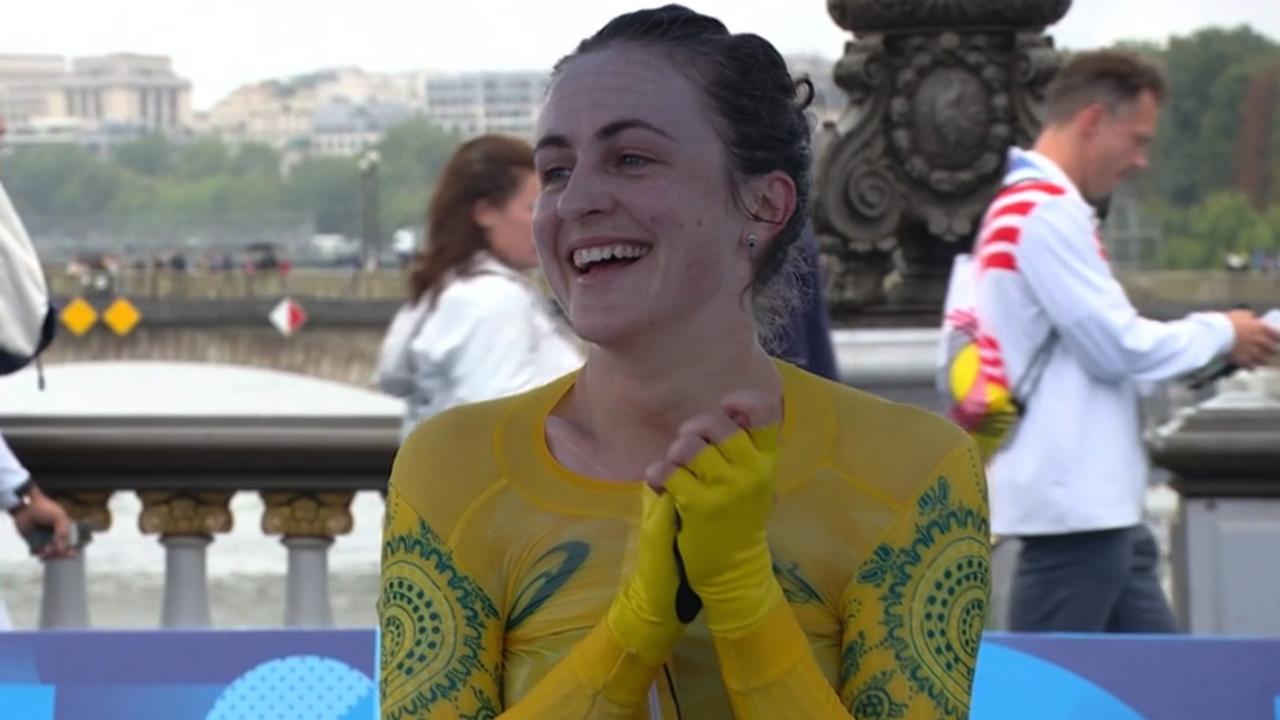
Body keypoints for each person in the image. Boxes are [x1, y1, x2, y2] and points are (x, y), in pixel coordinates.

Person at [379, 6, 989, 719]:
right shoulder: (452, 468)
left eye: (631, 158)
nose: (576, 201)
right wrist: (636, 625)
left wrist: (740, 593)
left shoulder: (914, 472)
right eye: (554, 171)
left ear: (763, 204)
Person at [974, 50, 1280, 633]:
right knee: (1062, 695)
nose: (1140, 160)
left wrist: (1225, 343)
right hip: (1077, 515)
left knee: (1166, 692)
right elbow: (1117, 346)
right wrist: (1224, 332)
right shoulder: (1043, 214)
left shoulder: (1026, 207)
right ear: (1092, 121)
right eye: (1136, 139)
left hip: (1095, 512)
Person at [374, 134, 584, 439]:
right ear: (484, 212)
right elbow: (502, 427)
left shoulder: (446, 292)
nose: (548, 222)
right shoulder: (493, 302)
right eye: (533, 208)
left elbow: (392, 376)